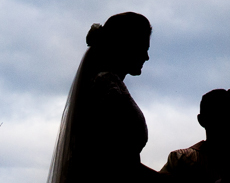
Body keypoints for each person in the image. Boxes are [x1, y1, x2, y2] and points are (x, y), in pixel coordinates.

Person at [48, 12, 164, 183]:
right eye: (144, 49)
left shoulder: (107, 85)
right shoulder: (108, 89)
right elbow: (118, 164)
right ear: (127, 46)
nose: (147, 57)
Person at [161, 88, 230, 182]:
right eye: (216, 115)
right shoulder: (182, 159)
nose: (222, 121)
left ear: (201, 120)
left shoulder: (182, 158)